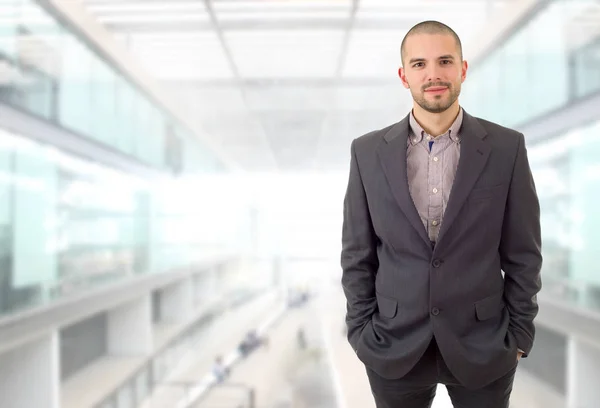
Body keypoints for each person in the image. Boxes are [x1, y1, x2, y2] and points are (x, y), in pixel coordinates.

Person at [340, 20, 542, 408]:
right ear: (404, 76)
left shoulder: (506, 148)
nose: (433, 74)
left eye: (444, 61)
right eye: (419, 64)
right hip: (393, 345)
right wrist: (361, 331)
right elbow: (356, 253)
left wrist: (519, 336)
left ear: (463, 69)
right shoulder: (366, 153)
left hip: (484, 345)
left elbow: (524, 252)